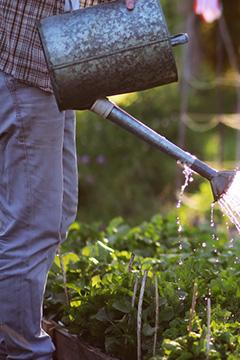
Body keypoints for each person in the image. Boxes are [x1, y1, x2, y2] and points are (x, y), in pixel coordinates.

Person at [0, 0, 135, 359]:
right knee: (31, 228)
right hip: (25, 66)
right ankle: (24, 351)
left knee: (57, 213)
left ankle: (11, 329)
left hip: (56, 70)